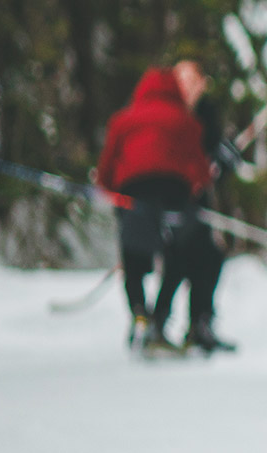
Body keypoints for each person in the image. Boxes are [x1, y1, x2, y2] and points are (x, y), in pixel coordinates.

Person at [94, 64, 216, 358]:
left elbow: (107, 168)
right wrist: (197, 185)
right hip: (174, 194)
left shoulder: (123, 120)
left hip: (133, 194)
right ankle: (160, 316)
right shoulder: (186, 122)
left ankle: (140, 315)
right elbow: (200, 170)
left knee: (133, 259)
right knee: (178, 253)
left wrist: (110, 191)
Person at [148, 60, 241, 353]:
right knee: (184, 259)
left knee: (205, 260)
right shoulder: (162, 114)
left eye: (191, 80)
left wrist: (225, 158)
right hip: (166, 202)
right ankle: (168, 323)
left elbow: (213, 163)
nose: (185, 87)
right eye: (179, 80)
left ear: (202, 84)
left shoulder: (206, 115)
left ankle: (193, 324)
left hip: (196, 205)